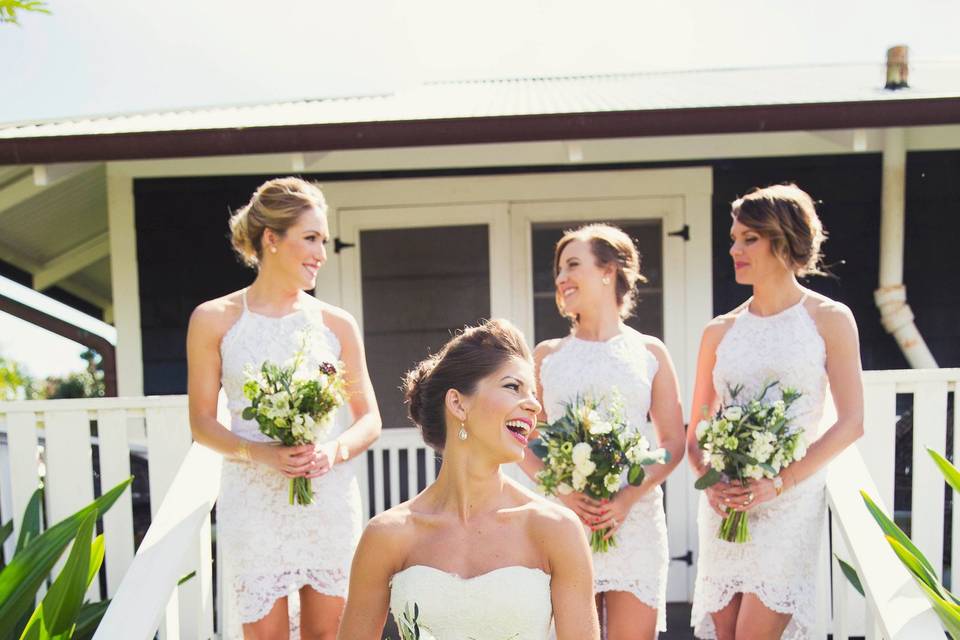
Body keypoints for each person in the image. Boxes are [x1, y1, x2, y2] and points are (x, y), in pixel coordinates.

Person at [186, 177, 382, 639]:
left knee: (328, 634)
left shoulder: (336, 324)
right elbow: (201, 423)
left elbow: (369, 419)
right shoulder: (214, 320)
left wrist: (331, 453)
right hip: (253, 499)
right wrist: (262, 454)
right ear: (271, 239)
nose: (321, 252)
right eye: (310, 238)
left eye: (324, 240)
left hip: (326, 495)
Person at [337, 319, 600, 640]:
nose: (534, 404)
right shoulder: (387, 536)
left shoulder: (555, 529)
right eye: (512, 387)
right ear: (458, 403)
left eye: (532, 393)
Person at [687, 184, 864, 640]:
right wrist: (711, 479)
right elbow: (697, 429)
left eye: (748, 238)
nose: (734, 249)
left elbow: (851, 423)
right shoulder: (719, 330)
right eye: (733, 238)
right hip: (727, 505)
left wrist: (779, 482)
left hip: (789, 504)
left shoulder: (829, 318)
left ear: (782, 242)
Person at [518, 223, 686, 639]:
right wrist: (562, 492)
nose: (560, 278)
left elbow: (672, 444)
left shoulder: (649, 352)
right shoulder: (547, 356)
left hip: (634, 520)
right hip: (566, 520)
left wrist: (626, 498)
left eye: (572, 265)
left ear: (608, 270)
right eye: (558, 270)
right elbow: (524, 438)